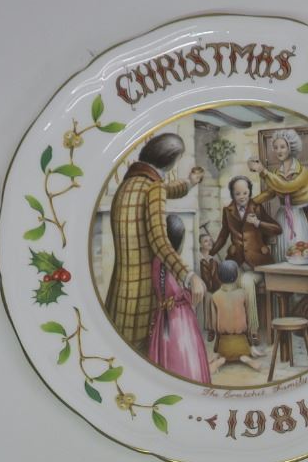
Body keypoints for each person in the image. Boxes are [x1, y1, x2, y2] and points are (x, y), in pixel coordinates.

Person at [101, 132, 205, 349]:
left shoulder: (131, 183)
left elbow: (166, 189)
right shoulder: (152, 187)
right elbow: (160, 241)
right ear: (170, 160)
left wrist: (189, 183)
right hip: (142, 295)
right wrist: (189, 276)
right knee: (142, 351)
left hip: (120, 291)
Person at [146, 214, 210, 384]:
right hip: (178, 321)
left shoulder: (157, 260)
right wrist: (189, 293)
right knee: (184, 360)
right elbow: (175, 293)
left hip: (165, 318)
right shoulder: (170, 264)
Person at [248, 129, 308, 258]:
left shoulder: (306, 171)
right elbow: (270, 193)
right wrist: (250, 202)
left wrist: (263, 171)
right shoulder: (276, 173)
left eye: (282, 147)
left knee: (301, 250)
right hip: (283, 216)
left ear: (291, 147)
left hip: (301, 216)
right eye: (276, 147)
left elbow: (288, 187)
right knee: (282, 251)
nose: (279, 151)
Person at [210, 176, 280, 270]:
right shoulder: (227, 211)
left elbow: (277, 229)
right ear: (232, 195)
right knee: (226, 273)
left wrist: (258, 223)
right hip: (236, 259)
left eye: (245, 193)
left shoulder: (257, 208)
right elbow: (223, 236)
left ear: (249, 192)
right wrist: (210, 253)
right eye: (237, 194)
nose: (242, 197)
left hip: (258, 258)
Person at [208, 260, 260, 370]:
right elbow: (249, 320)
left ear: (218, 277)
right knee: (243, 352)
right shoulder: (243, 294)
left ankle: (221, 359)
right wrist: (250, 343)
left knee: (222, 353)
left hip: (224, 344)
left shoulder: (215, 296)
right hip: (242, 343)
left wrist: (216, 347)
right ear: (237, 277)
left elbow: (213, 325)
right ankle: (245, 358)